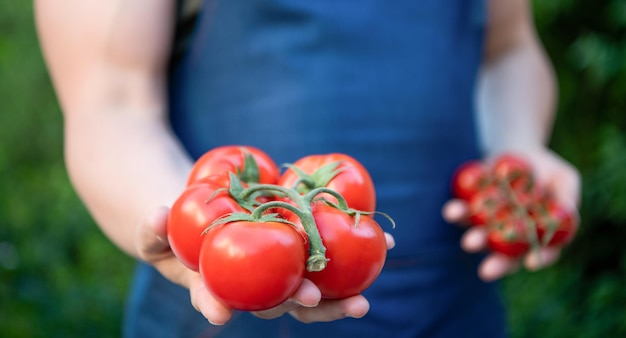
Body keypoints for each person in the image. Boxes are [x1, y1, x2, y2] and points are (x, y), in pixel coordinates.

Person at [35, 0, 580, 337]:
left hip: (452, 307)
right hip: (213, 325)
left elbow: (508, 52)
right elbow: (110, 104)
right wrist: (193, 238)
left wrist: (517, 145)